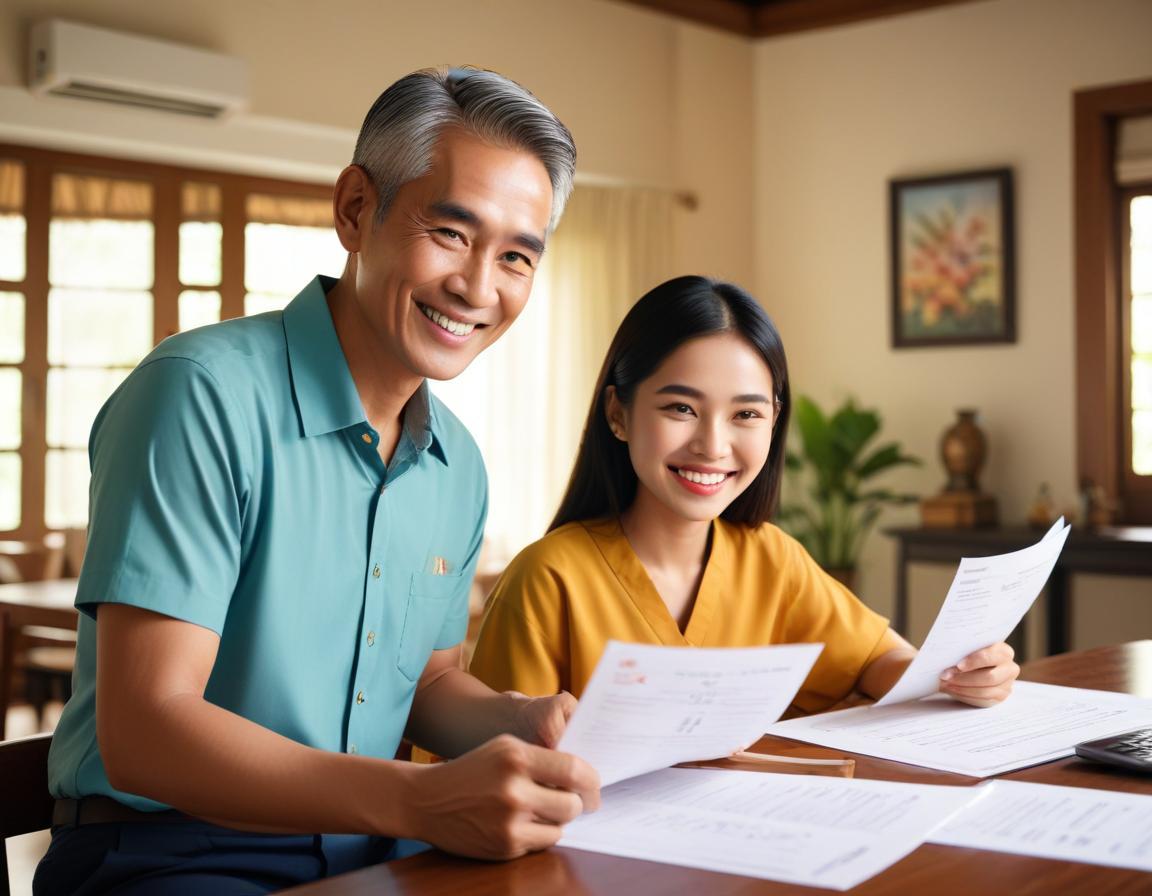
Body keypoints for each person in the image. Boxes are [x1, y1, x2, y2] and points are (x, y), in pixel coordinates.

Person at [35, 67, 599, 896]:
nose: (479, 287)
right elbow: (146, 731)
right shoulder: (200, 394)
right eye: (451, 233)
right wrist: (420, 800)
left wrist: (519, 718)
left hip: (371, 850)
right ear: (355, 209)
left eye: (516, 256)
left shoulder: (458, 464)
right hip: (169, 856)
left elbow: (426, 683)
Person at [470, 276, 1019, 716]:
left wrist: (958, 675)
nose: (713, 445)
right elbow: (489, 768)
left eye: (746, 414)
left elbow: (880, 660)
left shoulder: (772, 560)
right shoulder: (547, 579)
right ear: (618, 413)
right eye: (681, 408)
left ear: (774, 421)